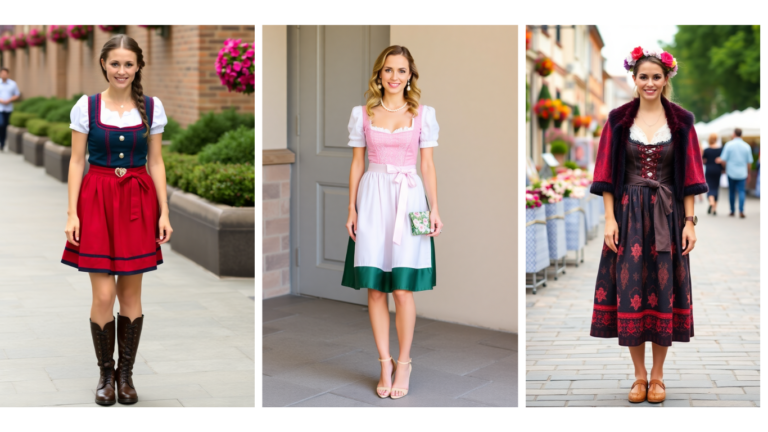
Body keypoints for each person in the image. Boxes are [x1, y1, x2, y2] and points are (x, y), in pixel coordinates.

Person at [589, 47, 707, 404]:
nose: (650, 83)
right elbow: (607, 173)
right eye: (644, 77)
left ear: (666, 78)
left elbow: (689, 176)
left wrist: (690, 222)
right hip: (628, 217)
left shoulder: (682, 121)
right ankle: (638, 377)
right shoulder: (618, 119)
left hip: (668, 219)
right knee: (632, 293)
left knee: (662, 292)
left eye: (657, 76)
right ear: (634, 79)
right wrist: (609, 219)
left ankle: (658, 377)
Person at [60, 35, 172, 406]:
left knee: (130, 295)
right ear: (104, 66)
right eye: (115, 63)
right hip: (96, 199)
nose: (121, 70)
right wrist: (72, 212)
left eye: (128, 64)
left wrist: (164, 212)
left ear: (138, 66)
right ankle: (104, 375)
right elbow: (77, 162)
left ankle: (126, 377)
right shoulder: (86, 107)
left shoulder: (152, 108)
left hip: (137, 202)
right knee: (103, 294)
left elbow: (155, 162)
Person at [341, 45, 443, 400]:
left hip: (411, 197)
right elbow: (357, 164)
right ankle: (383, 362)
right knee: (375, 288)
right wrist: (351, 208)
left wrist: (434, 208)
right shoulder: (363, 113)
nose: (395, 77)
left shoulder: (423, 114)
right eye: (388, 70)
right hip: (372, 199)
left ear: (410, 75)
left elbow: (427, 165)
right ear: (379, 74)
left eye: (402, 71)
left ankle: (404, 362)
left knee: (402, 289)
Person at [720, 128, 753, 218]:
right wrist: (748, 173)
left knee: (731, 191)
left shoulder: (729, 145)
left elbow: (723, 160)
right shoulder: (747, 146)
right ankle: (741, 210)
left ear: (734, 134)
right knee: (742, 191)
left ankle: (732, 210)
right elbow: (749, 162)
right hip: (742, 173)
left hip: (731, 172)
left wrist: (725, 168)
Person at [0, 67, 21, 152]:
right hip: (0, 108)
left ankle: (2, 143)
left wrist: (10, 100)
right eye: (3, 73)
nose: (4, 75)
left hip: (8, 108)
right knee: (1, 124)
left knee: (5, 126)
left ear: (8, 74)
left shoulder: (13, 84)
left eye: (6, 73)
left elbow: (17, 94)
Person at [701, 133, 723, 215]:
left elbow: (703, 161)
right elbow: (723, 160)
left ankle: (711, 201)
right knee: (716, 187)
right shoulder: (721, 149)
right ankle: (714, 209)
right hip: (718, 170)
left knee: (709, 186)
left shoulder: (706, 150)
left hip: (709, 170)